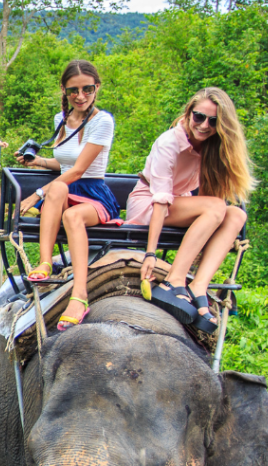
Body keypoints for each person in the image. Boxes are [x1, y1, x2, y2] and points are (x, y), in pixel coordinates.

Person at [128, 88, 253, 331]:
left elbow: (210, 200)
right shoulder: (169, 143)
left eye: (214, 121)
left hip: (180, 205)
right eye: (199, 117)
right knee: (217, 206)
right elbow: (161, 201)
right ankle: (173, 282)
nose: (204, 125)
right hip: (150, 204)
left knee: (236, 214)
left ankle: (198, 286)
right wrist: (151, 253)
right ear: (188, 113)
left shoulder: (212, 146)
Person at [15, 60, 119, 330]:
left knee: (71, 213)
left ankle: (79, 295)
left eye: (87, 89)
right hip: (63, 189)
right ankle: (45, 262)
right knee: (59, 187)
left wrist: (37, 194)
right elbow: (63, 166)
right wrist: (38, 161)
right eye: (74, 90)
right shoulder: (60, 120)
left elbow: (80, 170)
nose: (80, 96)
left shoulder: (102, 121)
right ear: (64, 90)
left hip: (92, 193)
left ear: (97, 88)